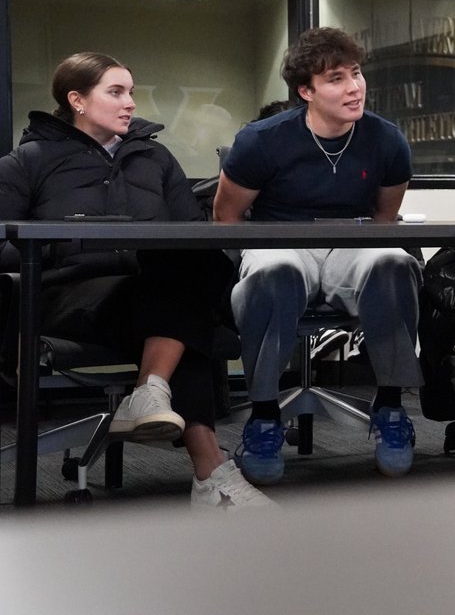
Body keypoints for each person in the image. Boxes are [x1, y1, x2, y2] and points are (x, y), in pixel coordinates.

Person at [0, 52, 271, 509]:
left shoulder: (155, 156)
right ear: (77, 100)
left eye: (131, 91)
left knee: (188, 272)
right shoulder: (28, 161)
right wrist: (75, 239)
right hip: (67, 294)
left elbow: (191, 232)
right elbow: (4, 245)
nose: (130, 103)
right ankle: (210, 473)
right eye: (116, 91)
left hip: (148, 292)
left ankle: (151, 396)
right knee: (185, 314)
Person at [213, 27, 422, 483]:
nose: (354, 87)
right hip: (280, 243)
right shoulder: (262, 140)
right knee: (276, 270)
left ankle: (389, 408)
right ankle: (265, 415)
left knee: (394, 262)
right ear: (306, 91)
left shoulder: (387, 140)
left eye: (357, 73)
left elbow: (386, 220)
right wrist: (246, 264)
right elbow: (226, 218)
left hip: (354, 245)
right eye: (336, 79)